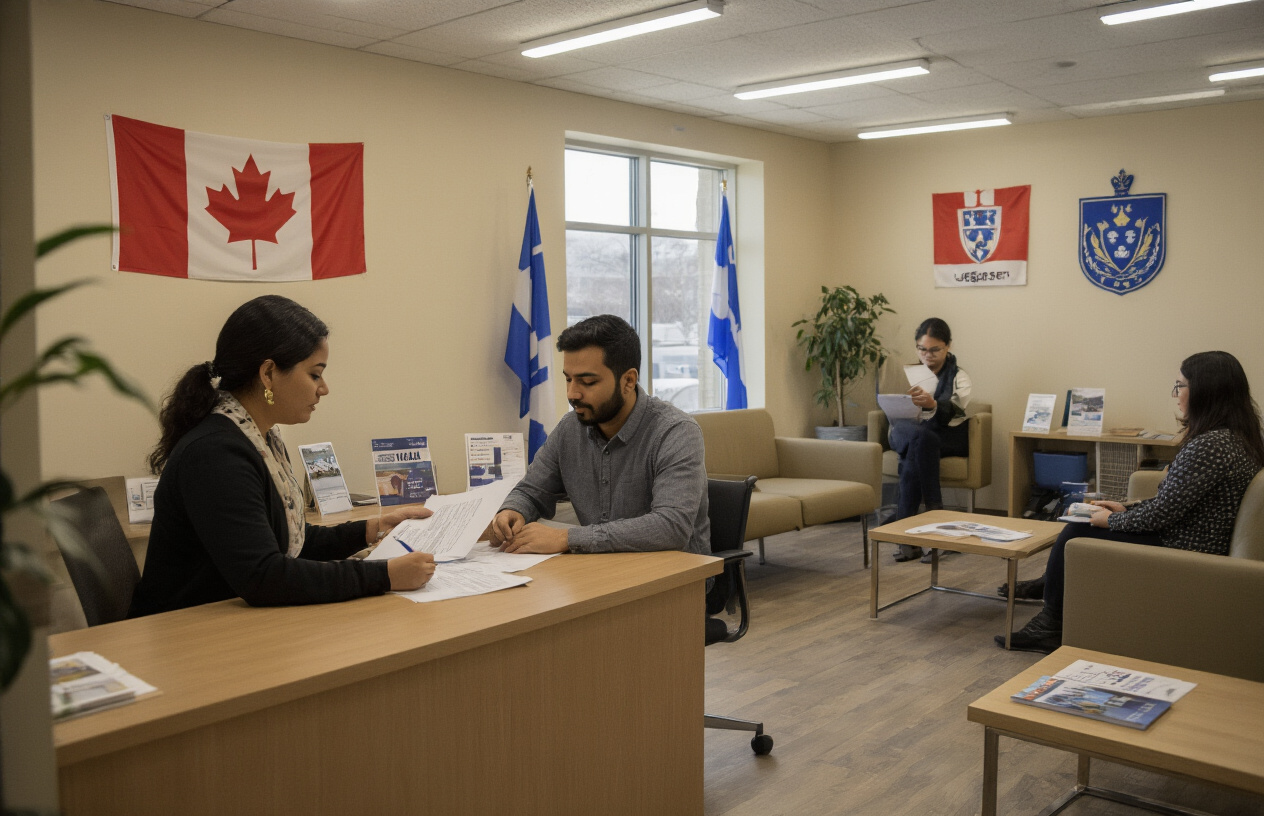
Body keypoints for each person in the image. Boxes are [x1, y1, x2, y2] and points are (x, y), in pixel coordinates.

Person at [128, 295, 435, 618]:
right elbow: (264, 576)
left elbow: (288, 539)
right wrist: (385, 576)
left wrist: (372, 528)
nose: (323, 388)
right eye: (315, 374)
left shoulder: (259, 437)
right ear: (268, 373)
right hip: (185, 635)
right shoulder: (217, 453)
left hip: (233, 621)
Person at [998, 351, 1264, 653]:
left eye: (1180, 386)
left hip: (1187, 547)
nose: (1176, 395)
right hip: (1192, 536)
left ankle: (1050, 624)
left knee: (1077, 531)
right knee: (1084, 525)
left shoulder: (1210, 446)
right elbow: (1175, 502)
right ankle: (1049, 588)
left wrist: (1110, 520)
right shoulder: (1237, 438)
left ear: (1205, 391)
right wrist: (1125, 508)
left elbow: (1163, 515)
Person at [489, 314, 710, 556]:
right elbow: (531, 491)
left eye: (587, 382)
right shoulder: (569, 428)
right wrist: (513, 510)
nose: (572, 394)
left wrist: (567, 537)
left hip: (676, 581)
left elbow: (671, 527)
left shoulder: (675, 432)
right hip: (600, 569)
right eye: (568, 379)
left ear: (628, 380)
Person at [889, 317, 973, 562]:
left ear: (948, 346)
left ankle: (906, 538)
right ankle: (938, 526)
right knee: (920, 438)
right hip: (912, 432)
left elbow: (957, 410)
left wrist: (934, 404)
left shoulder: (959, 376)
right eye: (922, 349)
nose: (927, 355)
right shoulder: (909, 373)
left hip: (948, 435)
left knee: (920, 443)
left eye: (935, 349)